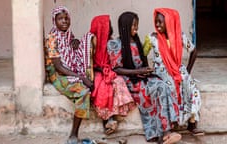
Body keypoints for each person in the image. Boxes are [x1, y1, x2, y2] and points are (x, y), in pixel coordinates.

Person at [107, 11, 181, 143]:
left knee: (163, 84)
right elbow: (117, 69)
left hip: (140, 77)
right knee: (158, 88)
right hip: (130, 81)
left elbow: (141, 62)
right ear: (125, 26)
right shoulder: (115, 44)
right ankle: (165, 132)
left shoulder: (136, 41)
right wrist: (137, 71)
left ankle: (166, 131)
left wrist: (145, 70)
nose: (136, 28)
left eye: (137, 25)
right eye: (133, 25)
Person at [143, 8, 204, 136]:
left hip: (177, 69)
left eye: (160, 22)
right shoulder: (151, 38)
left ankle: (192, 123)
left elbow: (193, 51)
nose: (157, 25)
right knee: (170, 87)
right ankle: (174, 122)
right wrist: (146, 70)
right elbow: (143, 54)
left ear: (170, 22)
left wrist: (187, 71)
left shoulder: (179, 36)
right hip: (161, 72)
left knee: (192, 88)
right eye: (156, 22)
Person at [44, 6, 93, 144]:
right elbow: (58, 67)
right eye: (60, 19)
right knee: (83, 92)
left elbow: (70, 49)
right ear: (54, 21)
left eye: (66, 18)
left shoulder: (68, 34)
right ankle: (73, 135)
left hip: (69, 69)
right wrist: (81, 78)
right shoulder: (52, 38)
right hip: (57, 74)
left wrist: (76, 42)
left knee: (91, 80)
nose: (64, 21)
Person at [82, 15, 136, 135]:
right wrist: (100, 70)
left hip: (109, 69)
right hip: (95, 71)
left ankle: (112, 117)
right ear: (101, 27)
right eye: (108, 25)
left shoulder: (111, 41)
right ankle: (107, 120)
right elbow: (88, 62)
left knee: (118, 82)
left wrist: (108, 70)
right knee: (103, 87)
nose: (111, 28)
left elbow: (114, 61)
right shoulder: (91, 40)